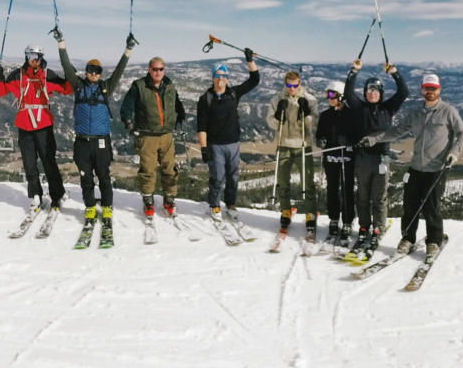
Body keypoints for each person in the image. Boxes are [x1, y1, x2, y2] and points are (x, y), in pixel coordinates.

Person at [361, 72, 463, 261]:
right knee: (409, 205)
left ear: (439, 90)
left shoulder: (448, 111)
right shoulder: (416, 113)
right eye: (427, 88)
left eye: (433, 89)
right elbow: (396, 131)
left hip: (437, 168)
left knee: (431, 207)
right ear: (422, 89)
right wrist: (373, 139)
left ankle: (433, 241)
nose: (430, 91)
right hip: (416, 166)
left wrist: (454, 153)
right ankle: (407, 239)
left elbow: (462, 132)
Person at [52, 27, 136, 229]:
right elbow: (66, 66)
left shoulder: (106, 88)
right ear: (86, 72)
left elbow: (119, 70)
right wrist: (61, 42)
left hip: (101, 141)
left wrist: (128, 49)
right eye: (90, 70)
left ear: (100, 74)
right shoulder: (78, 86)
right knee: (85, 177)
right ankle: (89, 206)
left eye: (97, 71)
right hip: (82, 141)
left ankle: (107, 206)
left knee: (104, 177)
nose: (93, 74)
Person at [0, 44, 73, 213]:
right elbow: (0, 91)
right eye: (30, 56)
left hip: (43, 123)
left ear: (41, 58)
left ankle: (57, 194)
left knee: (48, 160)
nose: (33, 60)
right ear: (26, 57)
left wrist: (69, 71)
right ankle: (35, 194)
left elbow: (67, 89)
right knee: (29, 163)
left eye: (36, 57)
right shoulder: (18, 76)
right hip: (24, 123)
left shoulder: (46, 76)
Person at [345, 59, 409, 253]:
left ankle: (378, 227)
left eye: (376, 90)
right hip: (362, 158)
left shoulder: (388, 108)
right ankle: (364, 226)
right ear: (365, 92)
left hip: (381, 158)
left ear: (380, 93)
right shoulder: (359, 108)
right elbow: (348, 93)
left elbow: (403, 92)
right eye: (369, 90)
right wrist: (354, 71)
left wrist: (395, 73)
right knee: (363, 195)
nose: (372, 93)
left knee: (379, 197)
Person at [197, 51, 260, 221]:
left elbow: (254, 80)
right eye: (217, 76)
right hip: (215, 145)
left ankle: (230, 204)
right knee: (217, 177)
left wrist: (250, 60)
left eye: (223, 76)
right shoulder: (206, 99)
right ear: (212, 78)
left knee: (232, 177)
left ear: (227, 78)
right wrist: (203, 148)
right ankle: (214, 205)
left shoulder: (233, 93)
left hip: (233, 143)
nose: (220, 79)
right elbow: (201, 126)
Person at [120, 56, 186, 217]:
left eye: (160, 69)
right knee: (148, 170)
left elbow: (176, 102)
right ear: (149, 70)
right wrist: (129, 124)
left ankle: (169, 199)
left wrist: (181, 115)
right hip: (147, 135)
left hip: (166, 135)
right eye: (155, 69)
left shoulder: (170, 86)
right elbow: (126, 107)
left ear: (164, 70)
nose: (158, 72)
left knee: (169, 169)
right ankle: (148, 200)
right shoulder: (139, 86)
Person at [265, 71, 318, 232]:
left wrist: (306, 113)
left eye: (295, 85)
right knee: (282, 180)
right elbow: (271, 123)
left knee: (307, 181)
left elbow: (312, 124)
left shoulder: (309, 99)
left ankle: (310, 212)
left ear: (300, 84)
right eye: (289, 85)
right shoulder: (277, 99)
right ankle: (285, 210)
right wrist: (278, 115)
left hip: (303, 144)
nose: (292, 88)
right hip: (283, 144)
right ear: (285, 84)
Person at [315, 81, 355, 241]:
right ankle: (333, 218)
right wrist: (320, 140)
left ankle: (347, 220)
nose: (329, 98)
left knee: (347, 188)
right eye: (327, 95)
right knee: (332, 187)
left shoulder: (351, 115)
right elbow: (319, 134)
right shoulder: (326, 115)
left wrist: (349, 140)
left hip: (347, 156)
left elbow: (357, 135)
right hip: (331, 156)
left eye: (331, 95)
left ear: (341, 97)